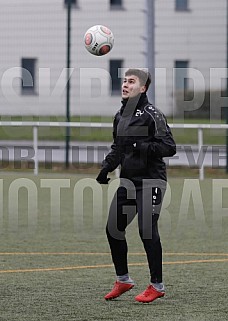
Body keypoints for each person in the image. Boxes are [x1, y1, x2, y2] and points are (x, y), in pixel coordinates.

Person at [96, 68, 176, 303]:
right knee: (113, 228)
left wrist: (140, 147)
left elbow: (169, 147)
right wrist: (106, 167)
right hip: (128, 182)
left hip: (151, 180)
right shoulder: (121, 115)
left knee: (147, 229)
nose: (125, 85)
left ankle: (157, 285)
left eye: (131, 82)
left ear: (143, 88)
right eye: (124, 81)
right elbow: (118, 148)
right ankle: (123, 280)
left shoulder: (153, 114)